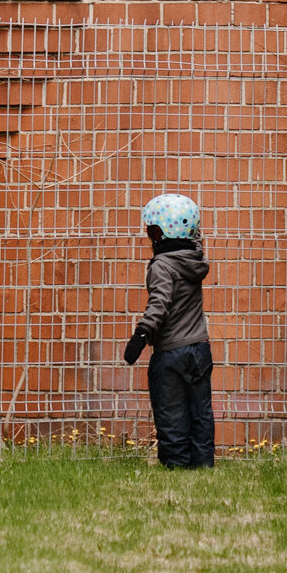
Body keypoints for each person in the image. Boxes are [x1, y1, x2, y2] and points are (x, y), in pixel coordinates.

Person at [122, 189, 214, 468]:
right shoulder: (194, 260)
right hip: (200, 349)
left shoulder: (162, 265)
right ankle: (202, 465)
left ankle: (176, 466)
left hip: (171, 353)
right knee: (200, 412)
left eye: (151, 231)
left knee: (171, 413)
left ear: (160, 234)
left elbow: (159, 305)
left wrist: (140, 336)